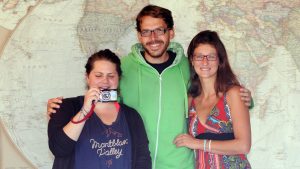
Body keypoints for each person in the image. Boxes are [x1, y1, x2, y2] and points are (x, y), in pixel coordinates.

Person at [47, 5, 252, 169]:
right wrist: (61, 109)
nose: (153, 38)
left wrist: (246, 98)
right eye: (146, 32)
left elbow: (214, 91)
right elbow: (102, 97)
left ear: (171, 32)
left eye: (159, 30)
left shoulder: (188, 66)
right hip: (132, 161)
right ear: (139, 35)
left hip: (180, 165)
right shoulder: (124, 67)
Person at [48, 49, 151, 169]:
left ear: (119, 78)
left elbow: (142, 159)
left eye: (111, 76)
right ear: (87, 77)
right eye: (98, 75)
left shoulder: (131, 115)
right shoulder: (65, 107)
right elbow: (59, 149)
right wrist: (84, 110)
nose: (105, 81)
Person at [174, 30, 252, 169]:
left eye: (211, 56)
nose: (205, 62)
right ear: (192, 60)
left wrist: (198, 144)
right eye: (199, 56)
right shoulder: (190, 99)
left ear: (220, 60)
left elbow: (243, 145)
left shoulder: (233, 94)